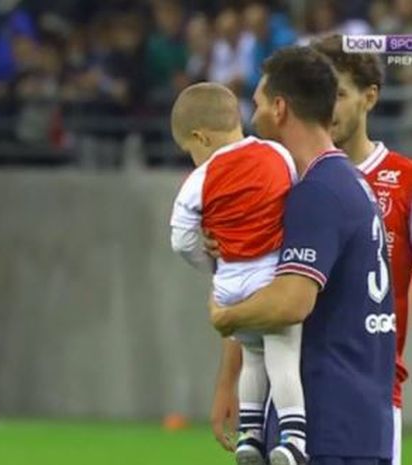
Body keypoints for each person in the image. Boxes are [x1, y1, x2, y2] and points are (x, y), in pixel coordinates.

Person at [210, 46, 396, 465]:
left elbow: (291, 303)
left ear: (279, 108)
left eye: (256, 104)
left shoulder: (318, 192)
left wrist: (226, 315)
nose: (251, 117)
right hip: (358, 422)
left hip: (326, 424)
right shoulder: (346, 180)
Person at [169, 82, 303, 465]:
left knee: (252, 356)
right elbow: (295, 198)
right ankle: (293, 439)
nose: (193, 158)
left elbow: (180, 238)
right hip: (270, 274)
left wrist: (210, 262)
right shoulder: (276, 153)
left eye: (190, 150)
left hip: (230, 281)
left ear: (200, 136)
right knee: (282, 355)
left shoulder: (200, 178)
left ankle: (250, 436)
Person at [312, 34, 412, 465]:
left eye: (338, 94)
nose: (326, 107)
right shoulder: (293, 179)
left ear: (369, 97)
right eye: (318, 94)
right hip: (297, 392)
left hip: (372, 393)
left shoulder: (405, 181)